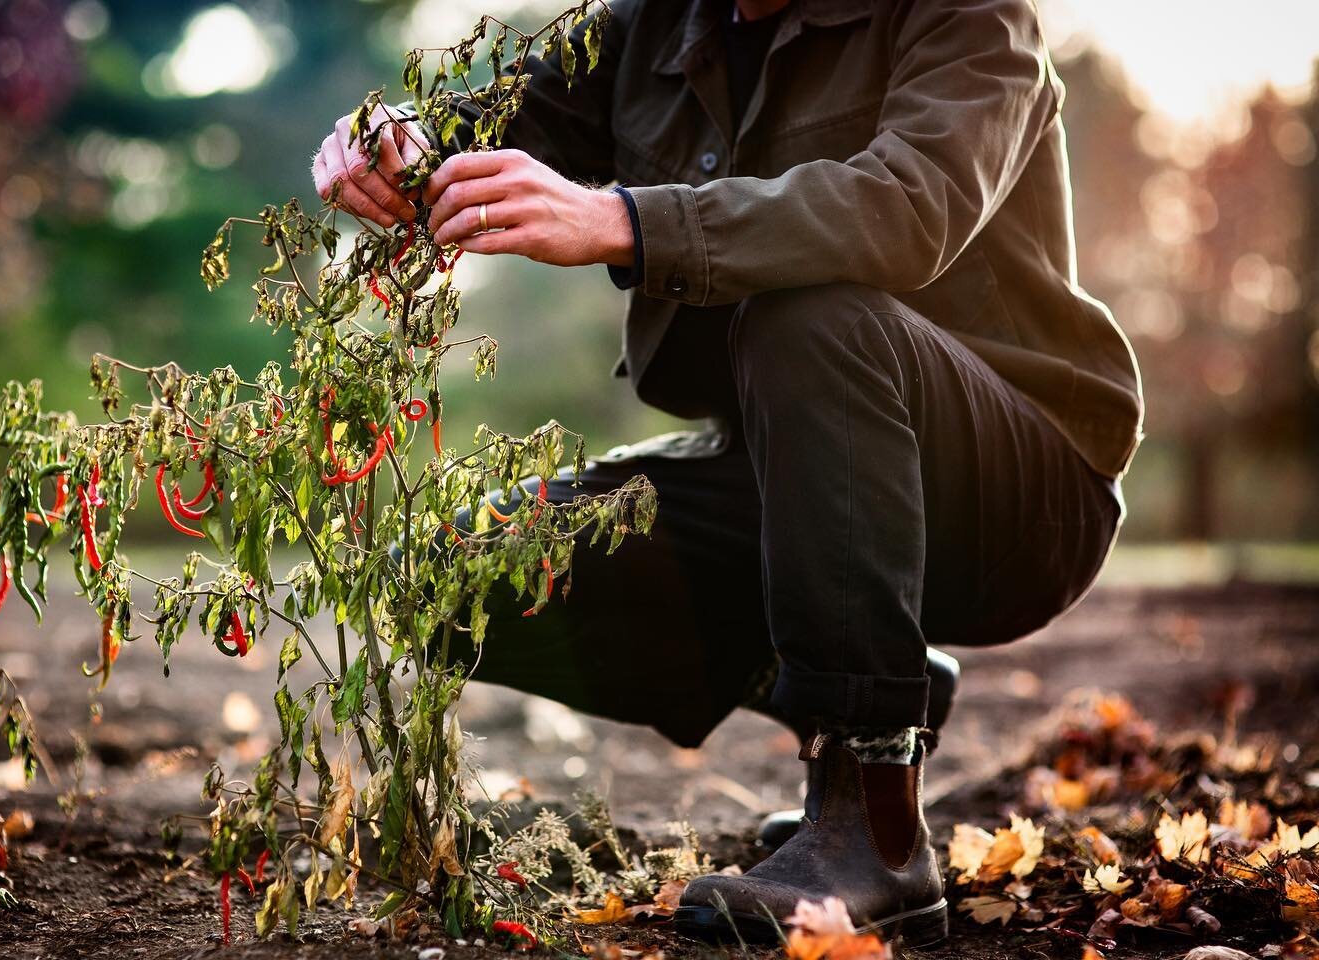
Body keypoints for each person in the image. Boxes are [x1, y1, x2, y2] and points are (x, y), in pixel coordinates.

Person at [309, 0, 1142, 946]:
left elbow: (907, 208)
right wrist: (397, 145)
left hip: (1018, 496)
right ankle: (873, 677)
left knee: (809, 310)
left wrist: (624, 220)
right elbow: (503, 123)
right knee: (451, 573)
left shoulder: (971, 14)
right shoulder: (653, 24)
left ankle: (871, 822)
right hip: (793, 476)